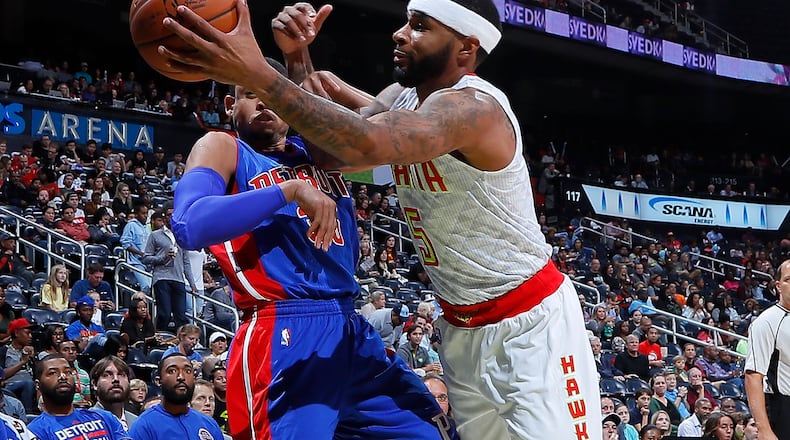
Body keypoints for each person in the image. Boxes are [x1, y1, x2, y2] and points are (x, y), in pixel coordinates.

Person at [162, 1, 600, 438]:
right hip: (444, 327)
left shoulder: (473, 109)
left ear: (465, 48)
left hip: (525, 322)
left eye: (420, 27)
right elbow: (327, 150)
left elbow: (362, 146)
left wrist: (259, 73)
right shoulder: (395, 101)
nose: (399, 33)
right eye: (407, 21)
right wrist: (297, 58)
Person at [168, 53, 454, 440]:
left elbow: (393, 149)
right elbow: (190, 224)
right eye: (250, 94)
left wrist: (299, 55)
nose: (264, 103)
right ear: (229, 105)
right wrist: (289, 189)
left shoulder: (321, 151)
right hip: (281, 331)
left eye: (275, 95)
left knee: (432, 431)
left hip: (350, 326)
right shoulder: (224, 146)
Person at [28, 354, 128, 440]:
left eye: (68, 372)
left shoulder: (105, 417)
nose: (63, 376)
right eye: (53, 373)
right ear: (38, 385)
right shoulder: (35, 431)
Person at [128, 353, 224, 440]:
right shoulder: (144, 426)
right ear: (158, 381)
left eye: (187, 371)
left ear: (194, 379)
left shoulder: (209, 424)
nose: (181, 377)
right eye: (172, 371)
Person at [744, 258, 790, 440]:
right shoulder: (766, 322)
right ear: (778, 286)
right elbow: (753, 375)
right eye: (788, 279)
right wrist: (764, 430)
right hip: (783, 406)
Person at [141, 209, 196, 331]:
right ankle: (159, 339)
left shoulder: (181, 237)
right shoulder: (155, 235)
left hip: (178, 279)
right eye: (168, 215)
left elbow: (186, 262)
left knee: (181, 315)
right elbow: (145, 258)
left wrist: (192, 284)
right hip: (161, 277)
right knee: (164, 313)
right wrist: (163, 257)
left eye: (173, 215)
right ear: (165, 218)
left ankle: (180, 343)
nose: (171, 217)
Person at [90, 355, 138, 431]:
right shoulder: (85, 424)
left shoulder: (137, 422)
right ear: (95, 384)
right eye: (107, 375)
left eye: (121, 375)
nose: (116, 379)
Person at [0, 318, 36, 413]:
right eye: (27, 333)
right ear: (16, 333)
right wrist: (23, 362)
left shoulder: (30, 350)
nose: (30, 336)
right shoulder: (4, 350)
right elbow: (2, 374)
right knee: (28, 384)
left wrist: (34, 359)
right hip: (9, 386)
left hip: (31, 385)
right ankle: (28, 413)